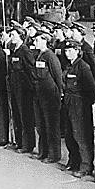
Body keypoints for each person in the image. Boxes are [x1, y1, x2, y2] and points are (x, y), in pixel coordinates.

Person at [62, 39, 95, 177]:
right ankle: (74, 161)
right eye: (66, 51)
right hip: (69, 102)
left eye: (71, 50)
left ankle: (86, 165)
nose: (68, 53)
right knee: (70, 134)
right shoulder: (69, 66)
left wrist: (85, 104)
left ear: (78, 51)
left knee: (81, 135)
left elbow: (92, 89)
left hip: (80, 104)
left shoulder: (83, 67)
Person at [32, 30, 63, 163]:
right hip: (40, 95)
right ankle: (43, 152)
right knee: (41, 124)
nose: (35, 42)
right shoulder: (39, 55)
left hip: (50, 96)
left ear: (45, 40)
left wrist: (59, 94)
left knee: (51, 126)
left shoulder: (50, 56)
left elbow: (57, 76)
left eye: (37, 40)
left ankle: (53, 155)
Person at [7, 25, 36, 153]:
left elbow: (30, 71)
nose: (11, 37)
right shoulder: (15, 50)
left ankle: (27, 145)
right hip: (14, 88)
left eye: (13, 35)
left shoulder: (25, 51)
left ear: (21, 36)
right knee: (17, 115)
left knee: (25, 117)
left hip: (23, 90)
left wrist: (29, 88)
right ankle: (19, 142)